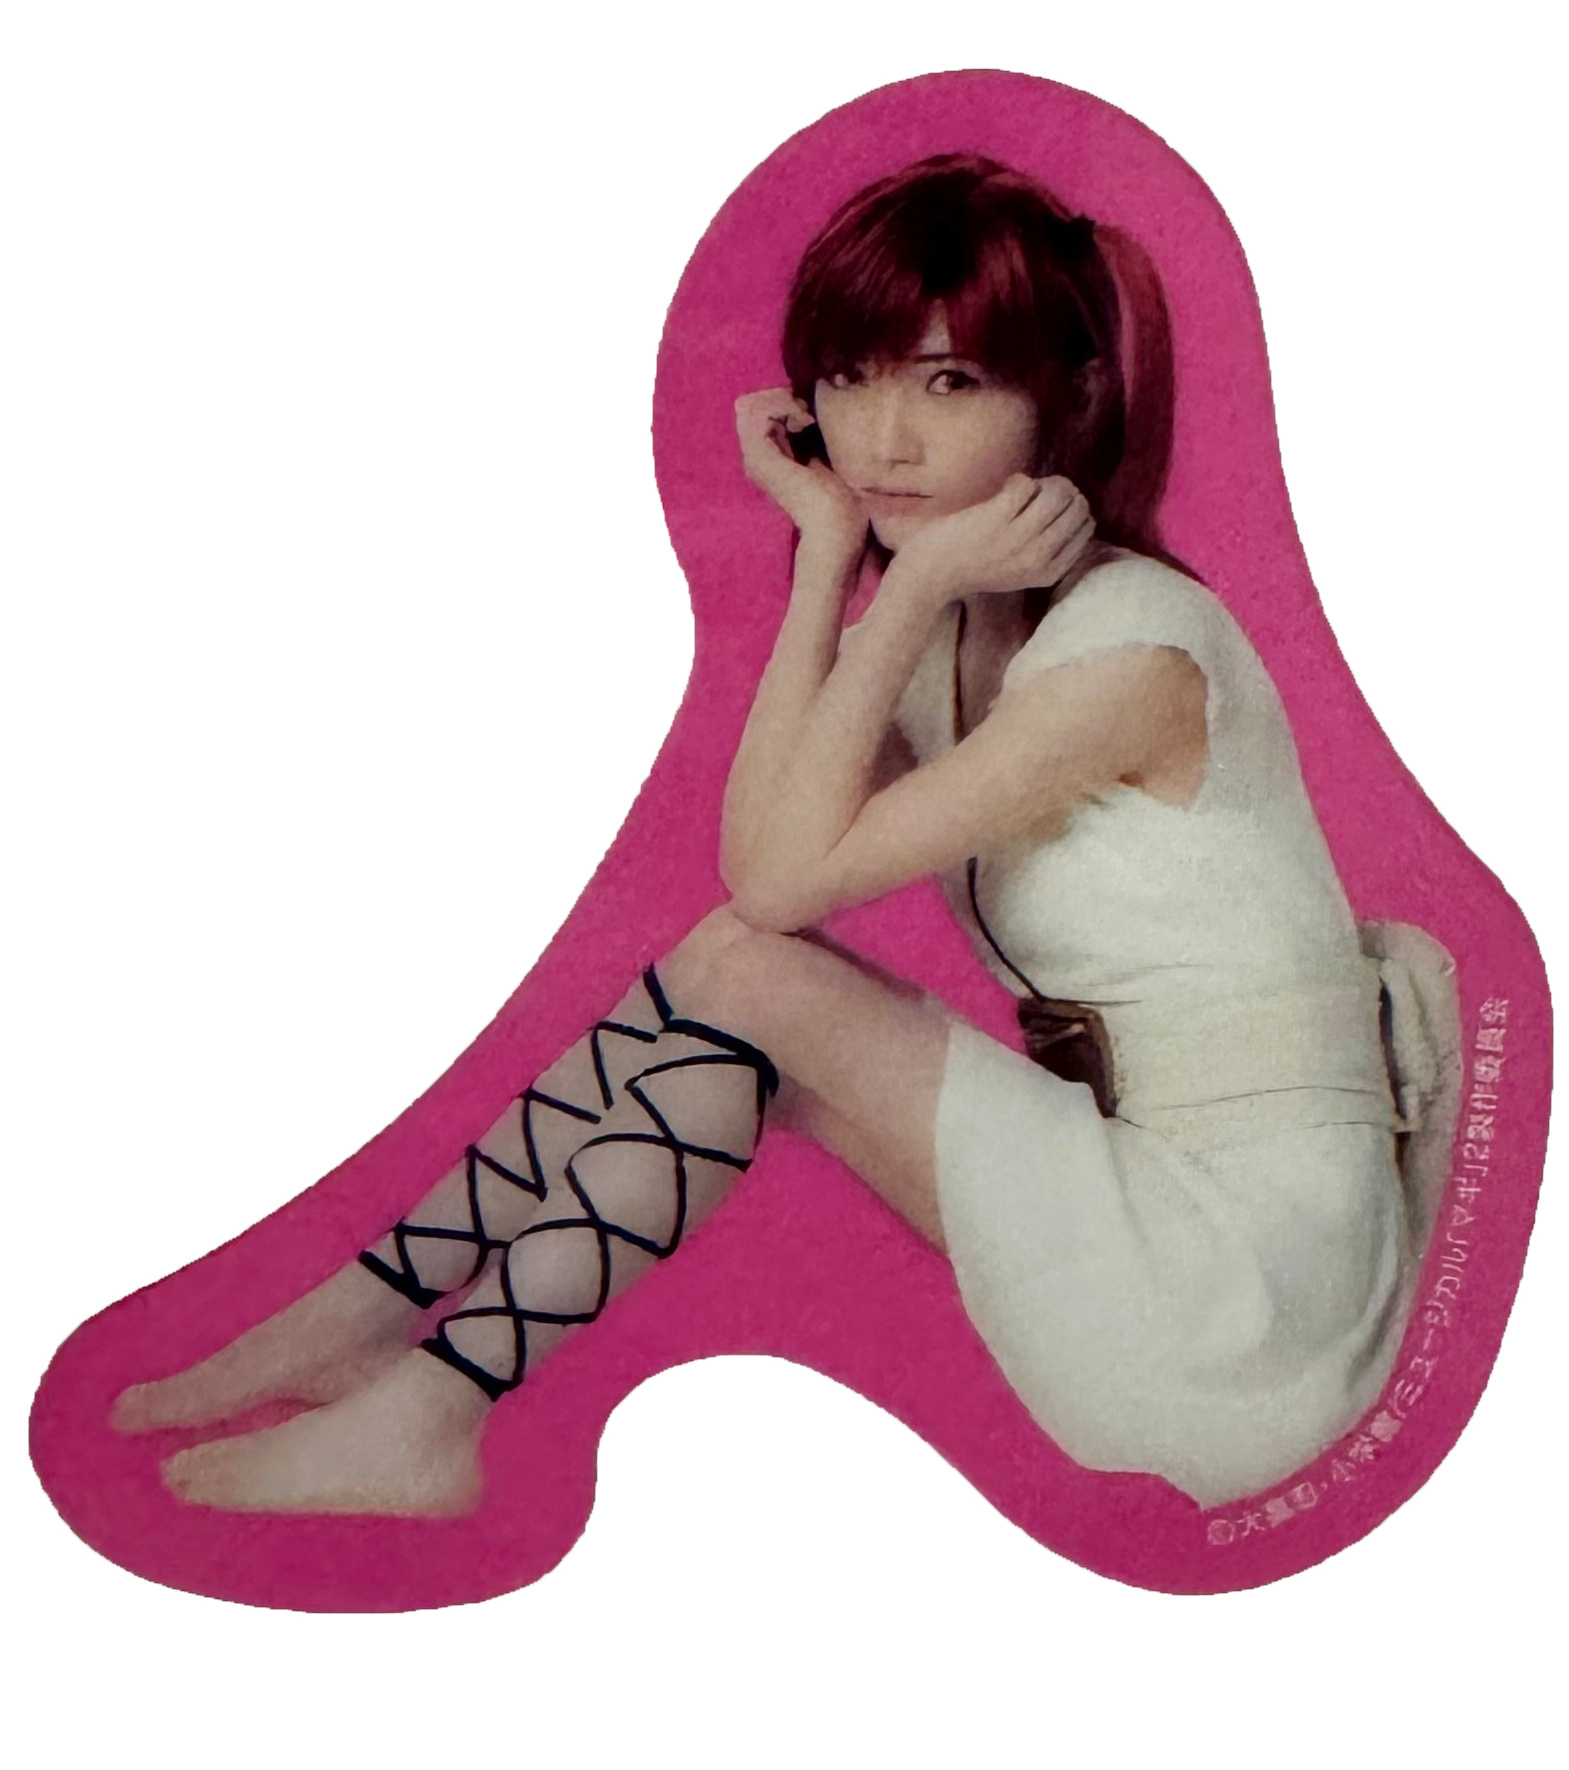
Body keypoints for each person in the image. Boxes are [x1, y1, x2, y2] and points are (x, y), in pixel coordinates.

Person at [109, 154, 1428, 1516]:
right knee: (734, 991)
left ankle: (414, 1385)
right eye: (850, 378)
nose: (885, 439)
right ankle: (391, 1342)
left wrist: (902, 581)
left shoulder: (1133, 652)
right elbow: (759, 865)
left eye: (950, 383)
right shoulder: (953, 635)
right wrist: (829, 553)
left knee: (750, 972)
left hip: (1254, 1282)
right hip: (1139, 1199)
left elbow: (774, 889)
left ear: (1073, 394)